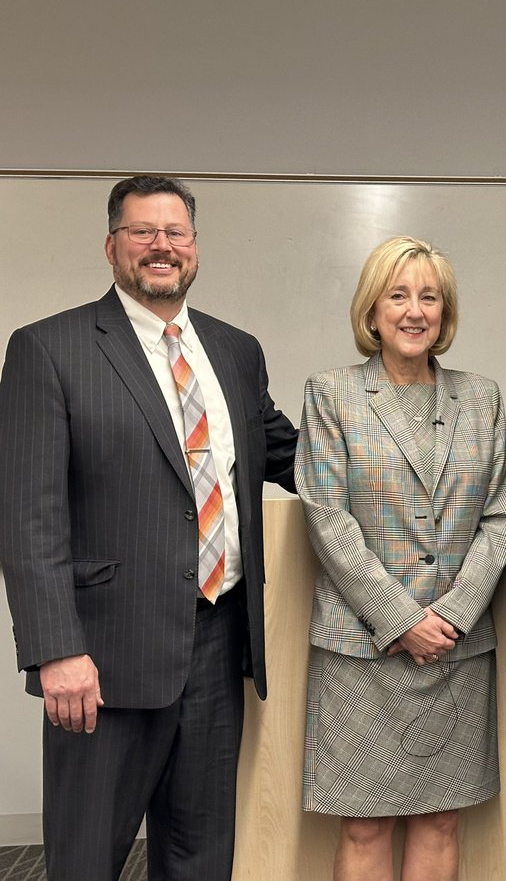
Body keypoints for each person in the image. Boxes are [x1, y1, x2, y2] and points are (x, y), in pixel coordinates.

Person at [0, 175, 298, 879]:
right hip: (100, 659)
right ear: (112, 246)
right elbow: (27, 513)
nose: (161, 247)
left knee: (201, 859)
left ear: (195, 249)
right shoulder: (49, 349)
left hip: (219, 647)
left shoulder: (235, 350)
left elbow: (290, 455)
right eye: (143, 233)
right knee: (87, 860)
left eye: (176, 234)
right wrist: (55, 650)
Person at [296, 235, 506, 881]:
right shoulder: (332, 394)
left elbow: (500, 517)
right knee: (364, 824)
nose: (415, 310)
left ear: (445, 313)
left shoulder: (482, 398)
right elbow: (327, 518)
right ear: (372, 311)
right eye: (399, 295)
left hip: (457, 645)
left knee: (441, 818)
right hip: (364, 652)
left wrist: (451, 616)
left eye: (430, 297)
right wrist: (401, 620)